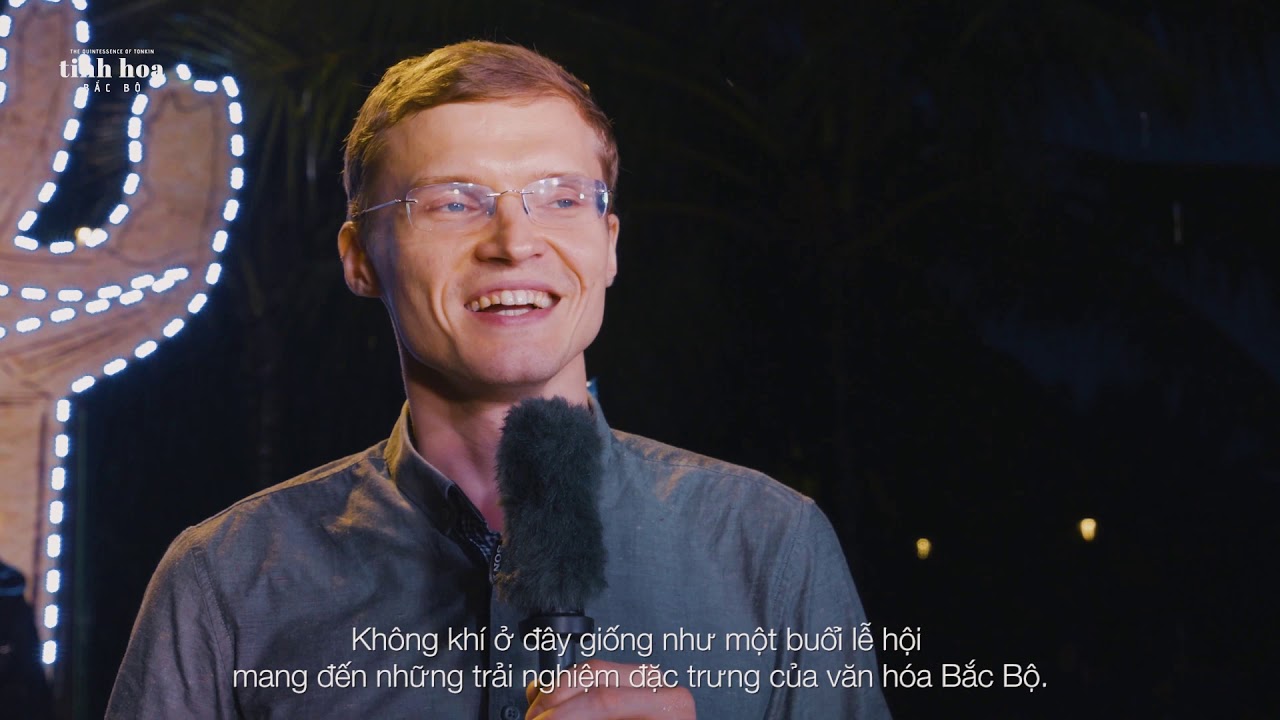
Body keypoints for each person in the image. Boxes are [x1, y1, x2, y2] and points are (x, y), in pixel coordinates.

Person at [107, 41, 891, 719]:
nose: (516, 242)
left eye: (561, 198)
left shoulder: (769, 545)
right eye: (453, 202)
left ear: (609, 245)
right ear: (360, 259)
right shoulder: (226, 581)